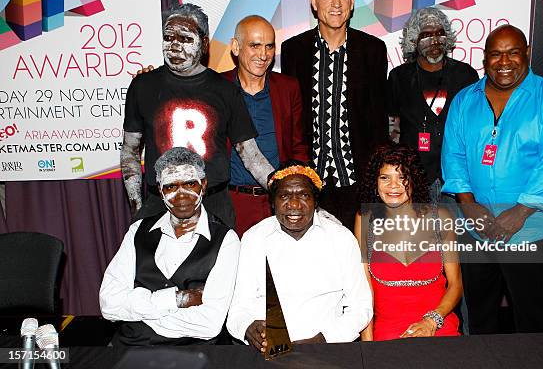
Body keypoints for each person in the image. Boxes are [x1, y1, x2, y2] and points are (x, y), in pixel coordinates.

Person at [442, 25, 543, 334]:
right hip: (476, 229)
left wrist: (518, 213)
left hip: (531, 231)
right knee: (480, 314)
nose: (504, 62)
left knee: (535, 317)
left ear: (527, 54)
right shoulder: (465, 101)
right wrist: (467, 204)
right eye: (496, 54)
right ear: (484, 58)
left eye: (513, 53)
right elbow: (454, 154)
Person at [121, 3, 274, 228]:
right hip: (160, 205)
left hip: (214, 206)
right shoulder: (142, 85)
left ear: (203, 44)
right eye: (168, 37)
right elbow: (130, 151)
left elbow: (251, 156)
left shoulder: (226, 89)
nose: (174, 46)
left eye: (185, 39)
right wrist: (137, 209)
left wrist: (288, 189)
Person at [100, 147, 240, 346]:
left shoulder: (226, 240)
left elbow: (209, 324)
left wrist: (138, 312)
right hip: (130, 347)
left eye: (190, 184)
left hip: (193, 354)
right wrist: (177, 299)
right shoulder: (138, 231)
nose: (181, 195)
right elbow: (109, 305)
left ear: (204, 185)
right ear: (160, 190)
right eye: (171, 187)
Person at [281, 0, 389, 228]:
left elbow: (378, 119)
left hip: (358, 179)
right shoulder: (293, 50)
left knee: (357, 256)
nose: (336, 4)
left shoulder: (372, 50)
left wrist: (377, 176)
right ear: (314, 2)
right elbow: (292, 117)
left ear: (352, 3)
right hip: (309, 179)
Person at [227, 161, 372, 352]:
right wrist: (247, 327)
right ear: (272, 202)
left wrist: (324, 339)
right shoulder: (254, 238)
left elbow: (361, 307)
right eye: (284, 196)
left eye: (304, 195)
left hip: (326, 352)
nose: (294, 204)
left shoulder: (341, 239)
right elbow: (238, 308)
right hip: (266, 351)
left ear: (315, 201)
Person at [355, 143, 462, 340]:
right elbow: (364, 288)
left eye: (402, 177)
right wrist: (367, 347)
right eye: (385, 178)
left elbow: (456, 285)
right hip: (388, 330)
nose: (393, 186)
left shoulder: (441, 217)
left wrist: (431, 321)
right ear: (375, 183)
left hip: (438, 324)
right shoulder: (365, 219)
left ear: (414, 181)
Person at [221, 15, 309, 236]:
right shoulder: (216, 88)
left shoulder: (288, 87)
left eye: (269, 46)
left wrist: (294, 194)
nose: (263, 55)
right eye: (255, 45)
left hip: (277, 203)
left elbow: (298, 146)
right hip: (232, 203)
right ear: (235, 47)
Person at [386, 7, 479, 204]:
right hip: (412, 177)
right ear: (413, 40)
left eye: (440, 34)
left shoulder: (466, 75)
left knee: (451, 233)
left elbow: (475, 129)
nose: (435, 41)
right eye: (426, 35)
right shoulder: (399, 77)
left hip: (456, 179)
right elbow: (392, 126)